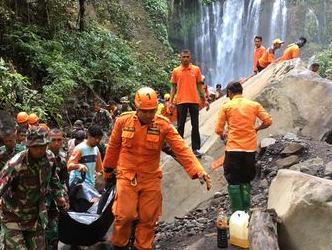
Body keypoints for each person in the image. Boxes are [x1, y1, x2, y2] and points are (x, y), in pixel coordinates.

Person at [103, 87, 211, 250]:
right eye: (145, 111)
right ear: (137, 108)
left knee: (148, 218)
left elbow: (181, 148)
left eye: (152, 111)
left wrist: (198, 170)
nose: (148, 115)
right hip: (127, 175)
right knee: (124, 215)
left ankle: (143, 247)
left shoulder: (163, 125)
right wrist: (108, 169)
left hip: (150, 178)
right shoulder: (123, 122)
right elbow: (113, 147)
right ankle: (119, 245)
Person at [0, 129, 68, 249]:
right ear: (28, 146)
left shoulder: (49, 159)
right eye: (35, 147)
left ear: (46, 144)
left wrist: (59, 196)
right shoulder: (16, 164)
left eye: (42, 146)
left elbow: (53, 179)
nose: (39, 150)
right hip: (13, 217)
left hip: (36, 217)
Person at [215, 80, 273, 213]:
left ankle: (237, 212)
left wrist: (224, 135)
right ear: (242, 91)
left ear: (229, 92)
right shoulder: (254, 105)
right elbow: (268, 120)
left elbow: (218, 129)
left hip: (233, 149)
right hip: (249, 150)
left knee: (233, 180)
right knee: (246, 179)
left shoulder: (226, 106)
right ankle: (246, 210)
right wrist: (257, 128)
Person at [169, 50, 209, 158]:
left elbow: (200, 86)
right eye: (183, 57)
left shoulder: (196, 70)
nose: (185, 59)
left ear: (190, 57)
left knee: (195, 125)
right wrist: (170, 102)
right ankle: (180, 148)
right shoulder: (176, 71)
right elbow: (173, 87)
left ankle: (195, 149)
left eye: (187, 57)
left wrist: (205, 99)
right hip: (181, 101)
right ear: (180, 58)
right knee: (180, 125)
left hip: (194, 101)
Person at [46, 129, 68, 250]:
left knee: (53, 234)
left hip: (55, 201)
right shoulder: (41, 155)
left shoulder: (63, 158)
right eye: (53, 140)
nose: (56, 143)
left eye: (59, 140)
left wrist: (65, 197)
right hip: (38, 201)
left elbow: (63, 180)